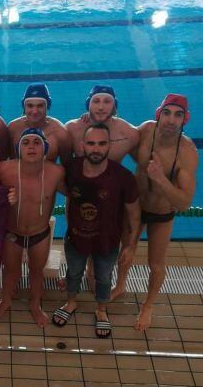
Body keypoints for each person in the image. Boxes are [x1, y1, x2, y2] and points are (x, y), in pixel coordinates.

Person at [112, 94, 198, 331]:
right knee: (125, 250)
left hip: (162, 213)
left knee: (156, 264)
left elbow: (184, 203)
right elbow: (119, 137)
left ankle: (148, 306)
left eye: (178, 115)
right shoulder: (146, 131)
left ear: (185, 120)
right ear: (159, 114)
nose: (171, 120)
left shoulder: (187, 153)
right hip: (136, 206)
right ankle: (120, 285)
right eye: (167, 113)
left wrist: (160, 179)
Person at [52, 123, 140, 338]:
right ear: (82, 146)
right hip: (75, 238)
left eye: (102, 143)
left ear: (109, 145)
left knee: (104, 277)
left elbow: (134, 214)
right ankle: (70, 302)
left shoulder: (123, 177)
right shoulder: (72, 168)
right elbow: (60, 186)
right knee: (73, 272)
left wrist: (130, 245)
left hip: (107, 242)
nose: (96, 149)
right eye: (91, 143)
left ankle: (101, 310)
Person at [0, 128, 65, 327]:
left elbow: (77, 192)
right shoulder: (4, 170)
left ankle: (35, 304)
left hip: (40, 233)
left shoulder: (56, 172)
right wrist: (2, 198)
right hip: (11, 232)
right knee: (10, 270)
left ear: (45, 149)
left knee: (36, 271)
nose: (31, 146)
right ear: (18, 149)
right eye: (26, 142)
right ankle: (5, 300)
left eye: (37, 142)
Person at [64, 85, 139, 163]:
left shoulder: (129, 134)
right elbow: (66, 165)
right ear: (88, 105)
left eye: (107, 102)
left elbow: (142, 166)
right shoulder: (71, 129)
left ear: (114, 106)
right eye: (96, 101)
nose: (101, 107)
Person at [8, 83, 72, 164]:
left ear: (47, 106)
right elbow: (9, 161)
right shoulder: (13, 128)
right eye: (30, 106)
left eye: (40, 106)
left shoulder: (60, 133)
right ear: (24, 107)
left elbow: (67, 167)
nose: (35, 111)